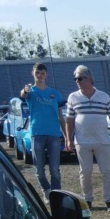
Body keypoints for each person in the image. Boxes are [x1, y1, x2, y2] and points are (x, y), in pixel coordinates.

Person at [66, 65, 110, 211]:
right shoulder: (73, 97)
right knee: (85, 172)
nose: (77, 81)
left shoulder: (103, 96)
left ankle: (109, 201)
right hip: (82, 142)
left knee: (106, 171)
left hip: (102, 141)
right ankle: (87, 200)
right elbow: (70, 120)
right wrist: (69, 139)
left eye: (80, 78)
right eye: (75, 79)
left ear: (89, 79)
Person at [19, 62, 67, 203]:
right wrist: (25, 90)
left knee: (55, 169)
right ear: (33, 73)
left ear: (46, 75)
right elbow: (23, 94)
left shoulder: (55, 94)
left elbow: (61, 116)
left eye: (42, 73)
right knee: (39, 169)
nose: (40, 75)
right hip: (37, 133)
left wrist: (66, 135)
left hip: (53, 134)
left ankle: (56, 195)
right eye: (37, 73)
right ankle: (46, 190)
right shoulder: (30, 92)